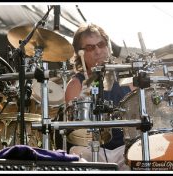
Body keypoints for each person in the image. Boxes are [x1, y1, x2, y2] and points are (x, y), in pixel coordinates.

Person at [64, 23, 135, 171]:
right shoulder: (75, 84)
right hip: (88, 149)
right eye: (90, 48)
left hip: (125, 148)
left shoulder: (128, 79)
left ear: (108, 46)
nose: (97, 51)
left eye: (101, 44)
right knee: (76, 155)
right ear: (79, 54)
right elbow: (76, 131)